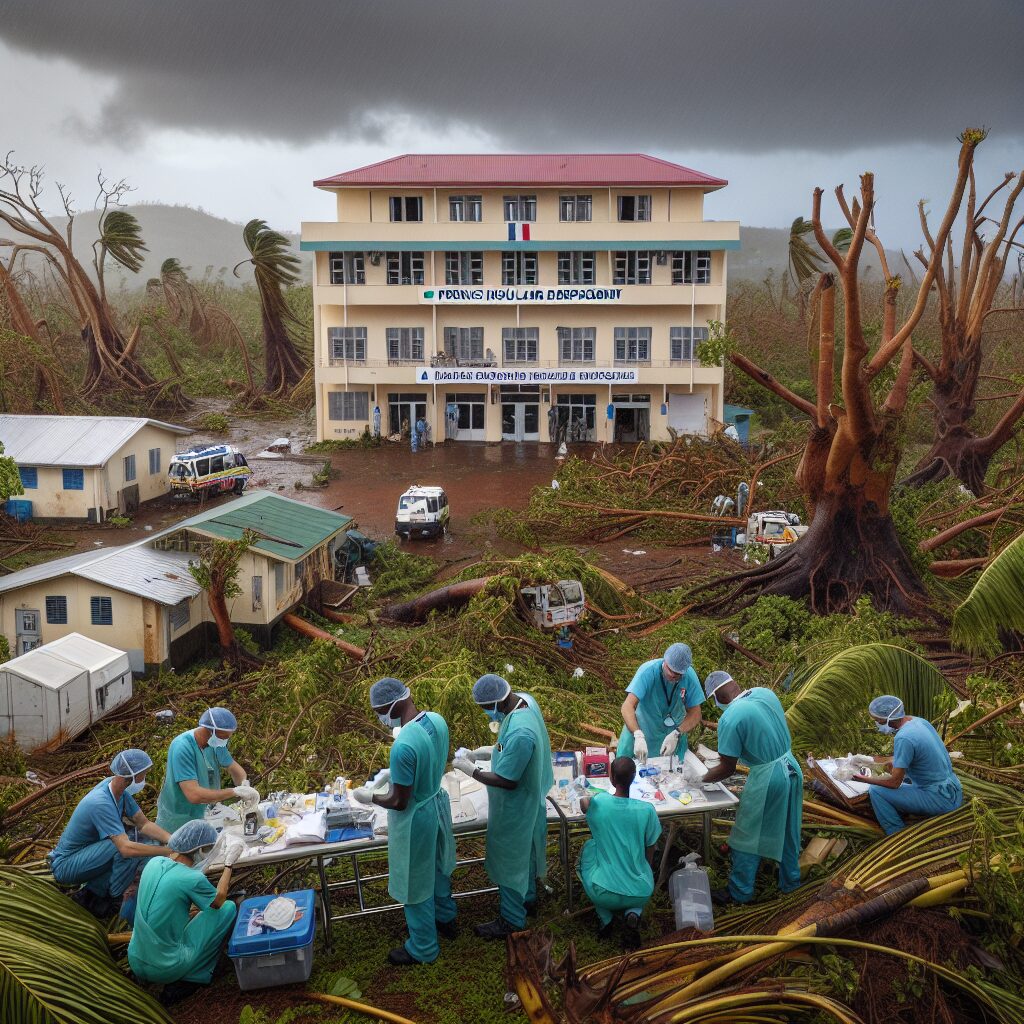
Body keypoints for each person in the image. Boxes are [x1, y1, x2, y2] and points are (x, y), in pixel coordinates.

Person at [352, 678, 457, 966]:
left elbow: (399, 801)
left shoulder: (403, 745)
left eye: (380, 710)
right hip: (435, 803)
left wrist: (371, 796)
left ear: (394, 704)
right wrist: (397, 774)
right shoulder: (436, 721)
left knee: (415, 882)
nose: (379, 717)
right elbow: (433, 761)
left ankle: (422, 946)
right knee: (436, 868)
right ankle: (446, 917)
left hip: (416, 820)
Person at [452, 673, 553, 939]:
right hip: (531, 800)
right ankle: (528, 898)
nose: (487, 713)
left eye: (486, 708)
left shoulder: (520, 732)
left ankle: (511, 919)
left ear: (496, 702)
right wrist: (488, 751)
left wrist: (470, 770)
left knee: (511, 861)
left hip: (516, 807)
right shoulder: (525, 701)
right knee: (527, 855)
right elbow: (507, 744)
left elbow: (507, 780)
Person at [701, 671, 802, 905]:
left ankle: (739, 893)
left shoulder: (730, 718)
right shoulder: (764, 693)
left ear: (715, 697)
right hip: (791, 767)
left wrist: (699, 779)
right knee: (788, 827)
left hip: (769, 777)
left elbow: (727, 768)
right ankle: (791, 884)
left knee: (748, 833)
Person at [128, 819, 242, 1006]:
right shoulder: (192, 879)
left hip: (135, 959)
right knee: (228, 908)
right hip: (166, 967)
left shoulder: (154, 863)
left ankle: (148, 976)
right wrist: (229, 864)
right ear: (199, 850)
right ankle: (191, 978)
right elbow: (219, 900)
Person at [50, 749, 171, 920]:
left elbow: (143, 823)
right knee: (125, 846)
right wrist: (168, 852)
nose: (144, 780)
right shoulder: (101, 802)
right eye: (142, 776)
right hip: (67, 865)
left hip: (90, 854)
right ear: (129, 777)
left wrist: (172, 840)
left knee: (141, 840)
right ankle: (111, 897)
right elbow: (126, 849)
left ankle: (93, 894)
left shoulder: (117, 789)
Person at [578, 757, 661, 949]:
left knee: (589, 849)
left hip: (603, 891)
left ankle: (605, 917)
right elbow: (651, 847)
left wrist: (584, 794)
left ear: (611, 778)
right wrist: (645, 870)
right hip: (641, 890)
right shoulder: (647, 810)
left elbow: (584, 804)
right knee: (639, 870)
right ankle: (633, 912)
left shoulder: (599, 802)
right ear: (634, 777)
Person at [858, 695, 963, 834]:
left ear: (887, 719)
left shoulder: (903, 738)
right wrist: (888, 763)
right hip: (954, 790)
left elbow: (895, 783)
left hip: (940, 799)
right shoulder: (919, 722)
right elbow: (913, 756)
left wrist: (861, 778)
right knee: (901, 775)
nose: (877, 724)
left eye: (878, 721)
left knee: (876, 791)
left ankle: (896, 833)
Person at [156, 707, 258, 833]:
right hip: (179, 819)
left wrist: (243, 783)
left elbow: (233, 767)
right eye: (224, 737)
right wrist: (234, 792)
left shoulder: (216, 743)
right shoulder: (182, 747)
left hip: (206, 813)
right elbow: (194, 795)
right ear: (210, 731)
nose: (225, 740)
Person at [618, 643, 705, 762]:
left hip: (672, 734)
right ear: (665, 661)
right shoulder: (648, 671)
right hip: (644, 728)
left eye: (678, 675)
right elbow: (627, 706)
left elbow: (696, 713)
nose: (673, 676)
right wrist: (637, 735)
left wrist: (677, 733)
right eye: (670, 670)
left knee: (672, 772)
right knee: (625, 769)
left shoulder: (689, 677)